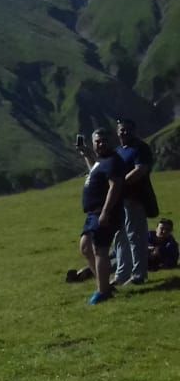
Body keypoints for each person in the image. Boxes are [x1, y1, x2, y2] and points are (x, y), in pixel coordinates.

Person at [75, 128, 127, 304]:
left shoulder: (113, 161)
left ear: (110, 141)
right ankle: (104, 284)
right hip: (93, 213)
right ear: (93, 143)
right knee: (85, 248)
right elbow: (94, 170)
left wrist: (105, 212)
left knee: (100, 250)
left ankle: (103, 292)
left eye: (104, 140)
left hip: (104, 212)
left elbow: (115, 187)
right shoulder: (101, 161)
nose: (101, 143)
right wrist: (86, 155)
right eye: (97, 141)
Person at [111, 117, 156, 285]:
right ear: (117, 132)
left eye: (127, 129)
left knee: (135, 237)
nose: (124, 132)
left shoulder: (140, 148)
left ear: (134, 131)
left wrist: (120, 183)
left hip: (135, 199)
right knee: (120, 237)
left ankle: (138, 275)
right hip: (119, 200)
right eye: (121, 129)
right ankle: (122, 274)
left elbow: (141, 169)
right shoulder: (119, 150)